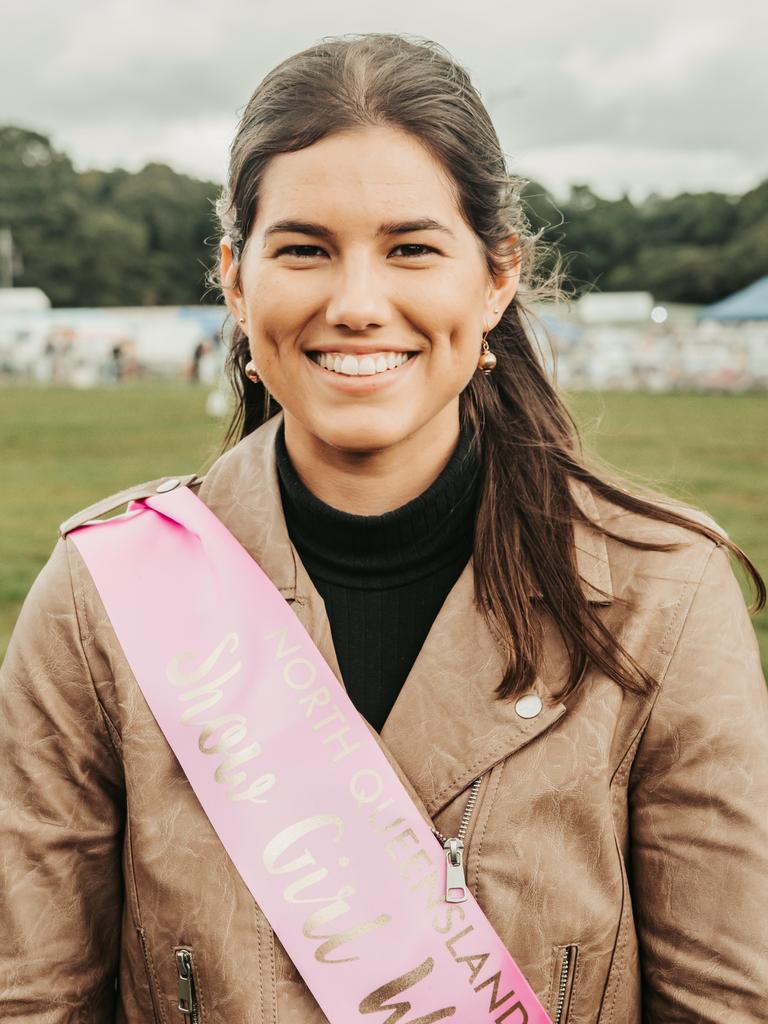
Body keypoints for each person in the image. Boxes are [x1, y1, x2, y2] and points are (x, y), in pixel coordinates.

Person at [1, 32, 767, 1024]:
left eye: (411, 247)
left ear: (496, 278)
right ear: (237, 282)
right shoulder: (103, 599)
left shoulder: (665, 589)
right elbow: (31, 1001)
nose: (358, 303)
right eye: (304, 249)